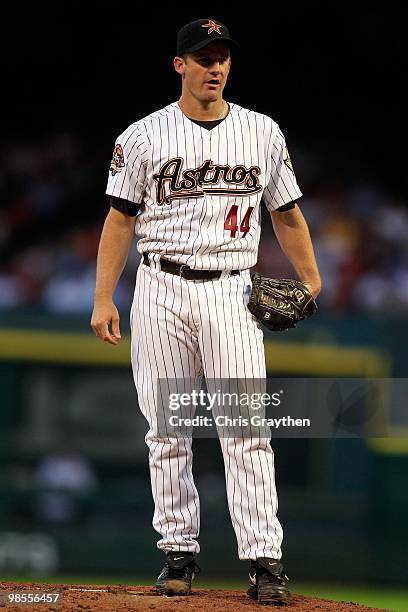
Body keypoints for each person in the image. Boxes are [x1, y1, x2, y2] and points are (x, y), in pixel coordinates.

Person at [91, 18, 321, 606]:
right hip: (161, 288)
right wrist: (102, 297)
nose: (215, 66)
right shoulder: (143, 136)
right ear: (180, 66)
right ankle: (178, 554)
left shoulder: (261, 132)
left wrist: (312, 280)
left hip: (232, 291)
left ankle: (265, 563)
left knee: (246, 430)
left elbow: (287, 212)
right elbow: (119, 219)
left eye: (221, 56)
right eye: (203, 56)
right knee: (167, 431)